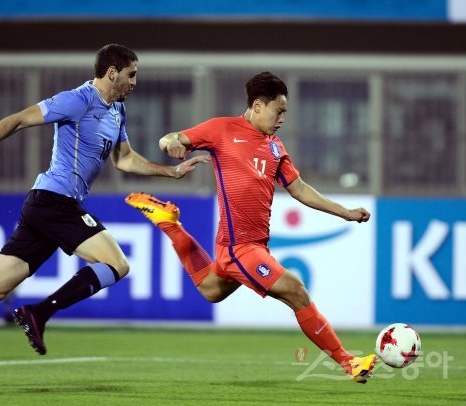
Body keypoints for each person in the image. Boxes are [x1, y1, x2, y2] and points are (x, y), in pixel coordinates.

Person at [0, 44, 208, 389]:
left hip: (48, 207)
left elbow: (124, 159)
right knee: (117, 264)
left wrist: (171, 173)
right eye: (131, 74)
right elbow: (17, 120)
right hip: (54, 202)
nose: (135, 82)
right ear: (112, 72)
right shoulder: (77, 100)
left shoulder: (117, 110)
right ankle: (39, 312)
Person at [125, 71, 377, 384]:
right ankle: (349, 362)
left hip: (254, 245)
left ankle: (170, 224)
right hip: (238, 247)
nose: (282, 118)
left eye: (285, 112)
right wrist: (171, 144)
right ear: (258, 106)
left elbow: (299, 189)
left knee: (211, 290)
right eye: (278, 111)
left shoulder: (275, 147)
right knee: (296, 291)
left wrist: (345, 213)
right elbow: (169, 138)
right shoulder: (221, 129)